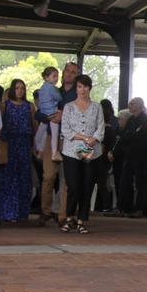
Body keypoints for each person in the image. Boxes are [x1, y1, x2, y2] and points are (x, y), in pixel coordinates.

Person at [35, 62, 79, 227]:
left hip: (69, 139)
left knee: (66, 179)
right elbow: (38, 113)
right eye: (67, 71)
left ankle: (63, 214)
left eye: (73, 72)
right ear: (62, 73)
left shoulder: (78, 93)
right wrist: (49, 117)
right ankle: (45, 211)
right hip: (50, 136)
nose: (69, 74)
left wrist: (64, 116)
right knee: (48, 176)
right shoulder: (51, 89)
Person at [60, 75, 104, 234]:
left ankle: (81, 220)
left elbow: (100, 128)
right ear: (76, 88)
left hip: (91, 151)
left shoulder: (97, 107)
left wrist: (94, 138)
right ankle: (69, 216)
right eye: (79, 86)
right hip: (72, 151)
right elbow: (65, 130)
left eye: (85, 86)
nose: (83, 90)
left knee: (87, 185)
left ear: (90, 88)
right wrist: (85, 137)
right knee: (73, 185)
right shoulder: (69, 107)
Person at [0, 79, 34, 222]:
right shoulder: (4, 105)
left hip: (24, 144)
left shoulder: (29, 106)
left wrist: (35, 146)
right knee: (8, 178)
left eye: (22, 88)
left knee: (23, 178)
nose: (20, 91)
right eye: (17, 88)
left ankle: (22, 212)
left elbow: (34, 126)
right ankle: (7, 212)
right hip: (8, 144)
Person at [117, 97, 147, 217]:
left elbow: (140, 137)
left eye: (132, 103)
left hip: (141, 156)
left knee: (140, 183)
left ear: (139, 105)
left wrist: (130, 136)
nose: (130, 105)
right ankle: (123, 207)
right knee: (125, 181)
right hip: (129, 155)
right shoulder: (131, 119)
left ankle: (140, 208)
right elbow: (124, 135)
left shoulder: (146, 121)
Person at [35, 66, 63, 162]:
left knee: (42, 132)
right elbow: (58, 98)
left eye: (57, 76)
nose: (56, 78)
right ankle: (54, 153)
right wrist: (59, 95)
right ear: (46, 78)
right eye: (54, 76)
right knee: (54, 134)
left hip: (44, 113)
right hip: (52, 112)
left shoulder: (42, 88)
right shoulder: (52, 88)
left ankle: (40, 150)